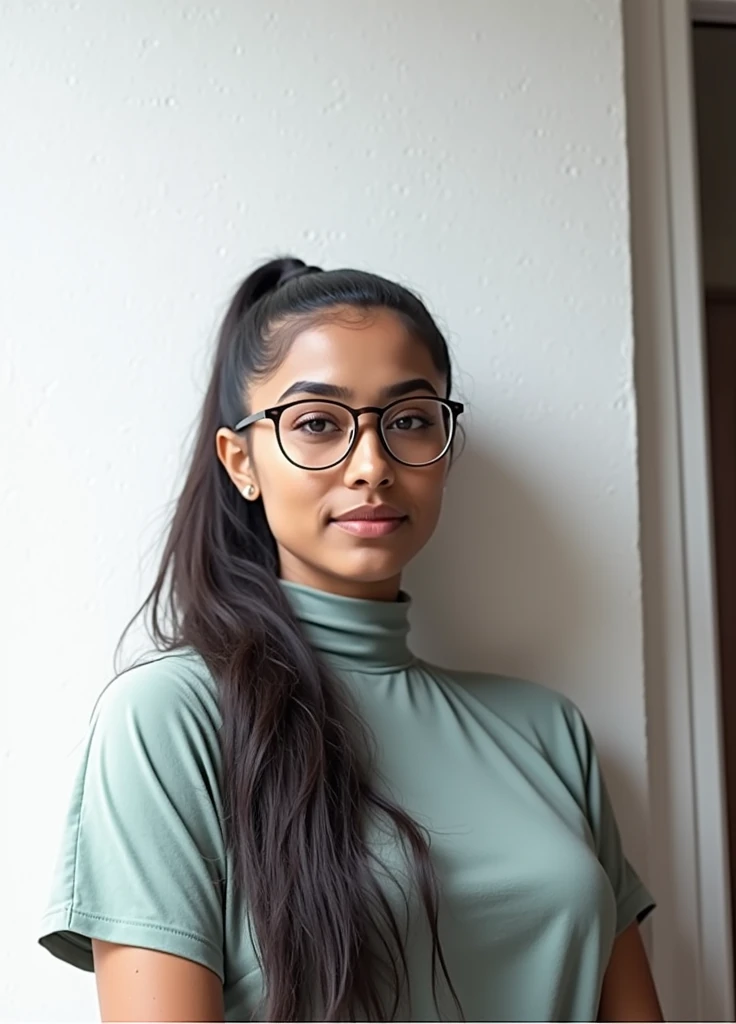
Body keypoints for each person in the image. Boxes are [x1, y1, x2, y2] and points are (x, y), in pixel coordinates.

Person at [38, 257, 662, 1023]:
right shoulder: (173, 718)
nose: (372, 467)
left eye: (408, 421)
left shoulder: (549, 732)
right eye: (316, 423)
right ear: (242, 462)